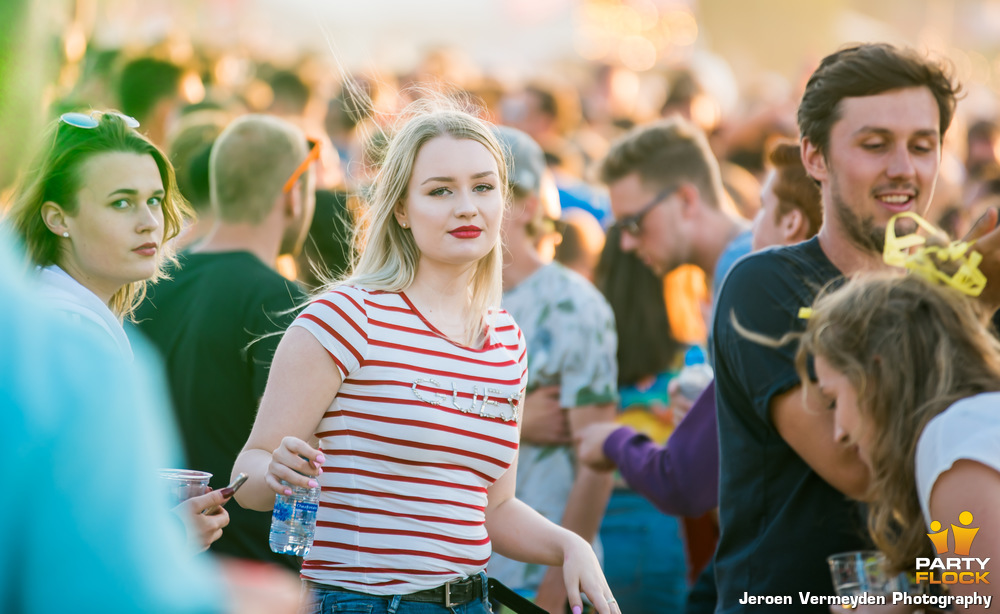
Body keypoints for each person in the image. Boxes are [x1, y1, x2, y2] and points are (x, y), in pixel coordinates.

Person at [232, 104, 619, 614]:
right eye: (440, 191)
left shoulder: (506, 341)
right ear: (401, 210)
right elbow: (248, 477)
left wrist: (569, 545)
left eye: (484, 187)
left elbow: (494, 508)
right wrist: (276, 471)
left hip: (472, 602)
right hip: (364, 604)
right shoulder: (346, 316)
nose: (467, 207)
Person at [710, 43, 961, 612]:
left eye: (923, 146)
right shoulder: (764, 286)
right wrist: (966, 314)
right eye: (875, 145)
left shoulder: (957, 286)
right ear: (815, 157)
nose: (904, 168)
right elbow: (857, 468)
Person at [579, 140, 823, 614]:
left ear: (686, 200)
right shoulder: (734, 276)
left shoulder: (745, 275)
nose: (627, 243)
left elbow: (690, 481)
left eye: (633, 223)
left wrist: (616, 441)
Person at [3, 108, 233, 552]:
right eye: (121, 202)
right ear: (58, 218)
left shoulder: (55, 311)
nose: (150, 221)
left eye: (154, 199)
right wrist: (167, 536)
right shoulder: (70, 333)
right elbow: (60, 527)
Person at [134, 113, 316, 571]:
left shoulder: (151, 283)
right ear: (293, 196)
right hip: (251, 566)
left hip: (161, 551)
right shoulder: (281, 301)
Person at [799, 273, 1000, 606]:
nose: (839, 432)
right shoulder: (976, 421)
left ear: (875, 378)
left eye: (833, 400)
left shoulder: (951, 438)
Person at [485, 126, 618, 613]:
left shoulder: (575, 304)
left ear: (527, 204)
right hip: (456, 572)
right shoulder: (454, 298)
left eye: (488, 190)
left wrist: (555, 589)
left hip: (536, 574)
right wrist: (517, 421)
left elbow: (595, 460)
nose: (470, 208)